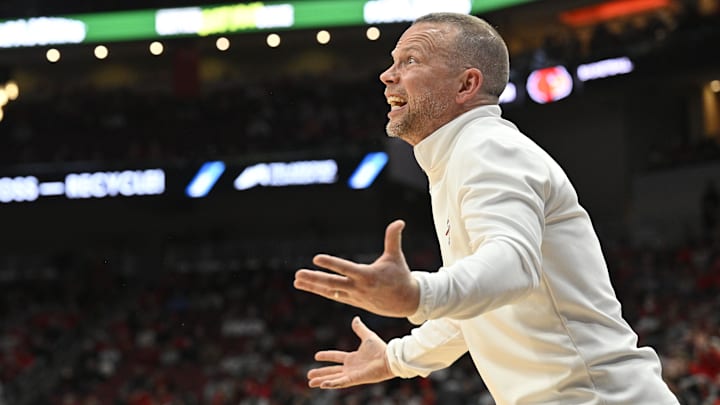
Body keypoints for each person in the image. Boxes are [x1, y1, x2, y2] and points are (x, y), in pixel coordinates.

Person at [293, 12, 680, 404]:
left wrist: (418, 294)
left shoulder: (487, 148)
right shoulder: (459, 156)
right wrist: (396, 358)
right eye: (393, 61)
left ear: (466, 84)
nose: (387, 75)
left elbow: (513, 265)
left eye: (410, 61)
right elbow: (478, 310)